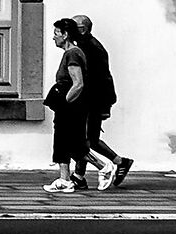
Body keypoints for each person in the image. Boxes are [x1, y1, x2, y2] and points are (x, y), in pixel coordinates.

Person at [71, 14, 134, 191]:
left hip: (93, 100)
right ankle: (117, 163)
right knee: (88, 138)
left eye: (73, 27)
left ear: (82, 29)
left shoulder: (91, 48)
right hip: (94, 99)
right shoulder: (86, 45)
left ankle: (81, 176)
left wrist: (104, 104)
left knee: (84, 139)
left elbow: (100, 78)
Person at [42, 17, 91, 192]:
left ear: (66, 34)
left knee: (72, 143)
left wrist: (65, 103)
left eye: (56, 33)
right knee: (63, 142)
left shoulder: (73, 53)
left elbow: (78, 83)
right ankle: (64, 179)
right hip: (68, 107)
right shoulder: (70, 53)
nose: (53, 37)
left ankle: (105, 167)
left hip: (71, 107)